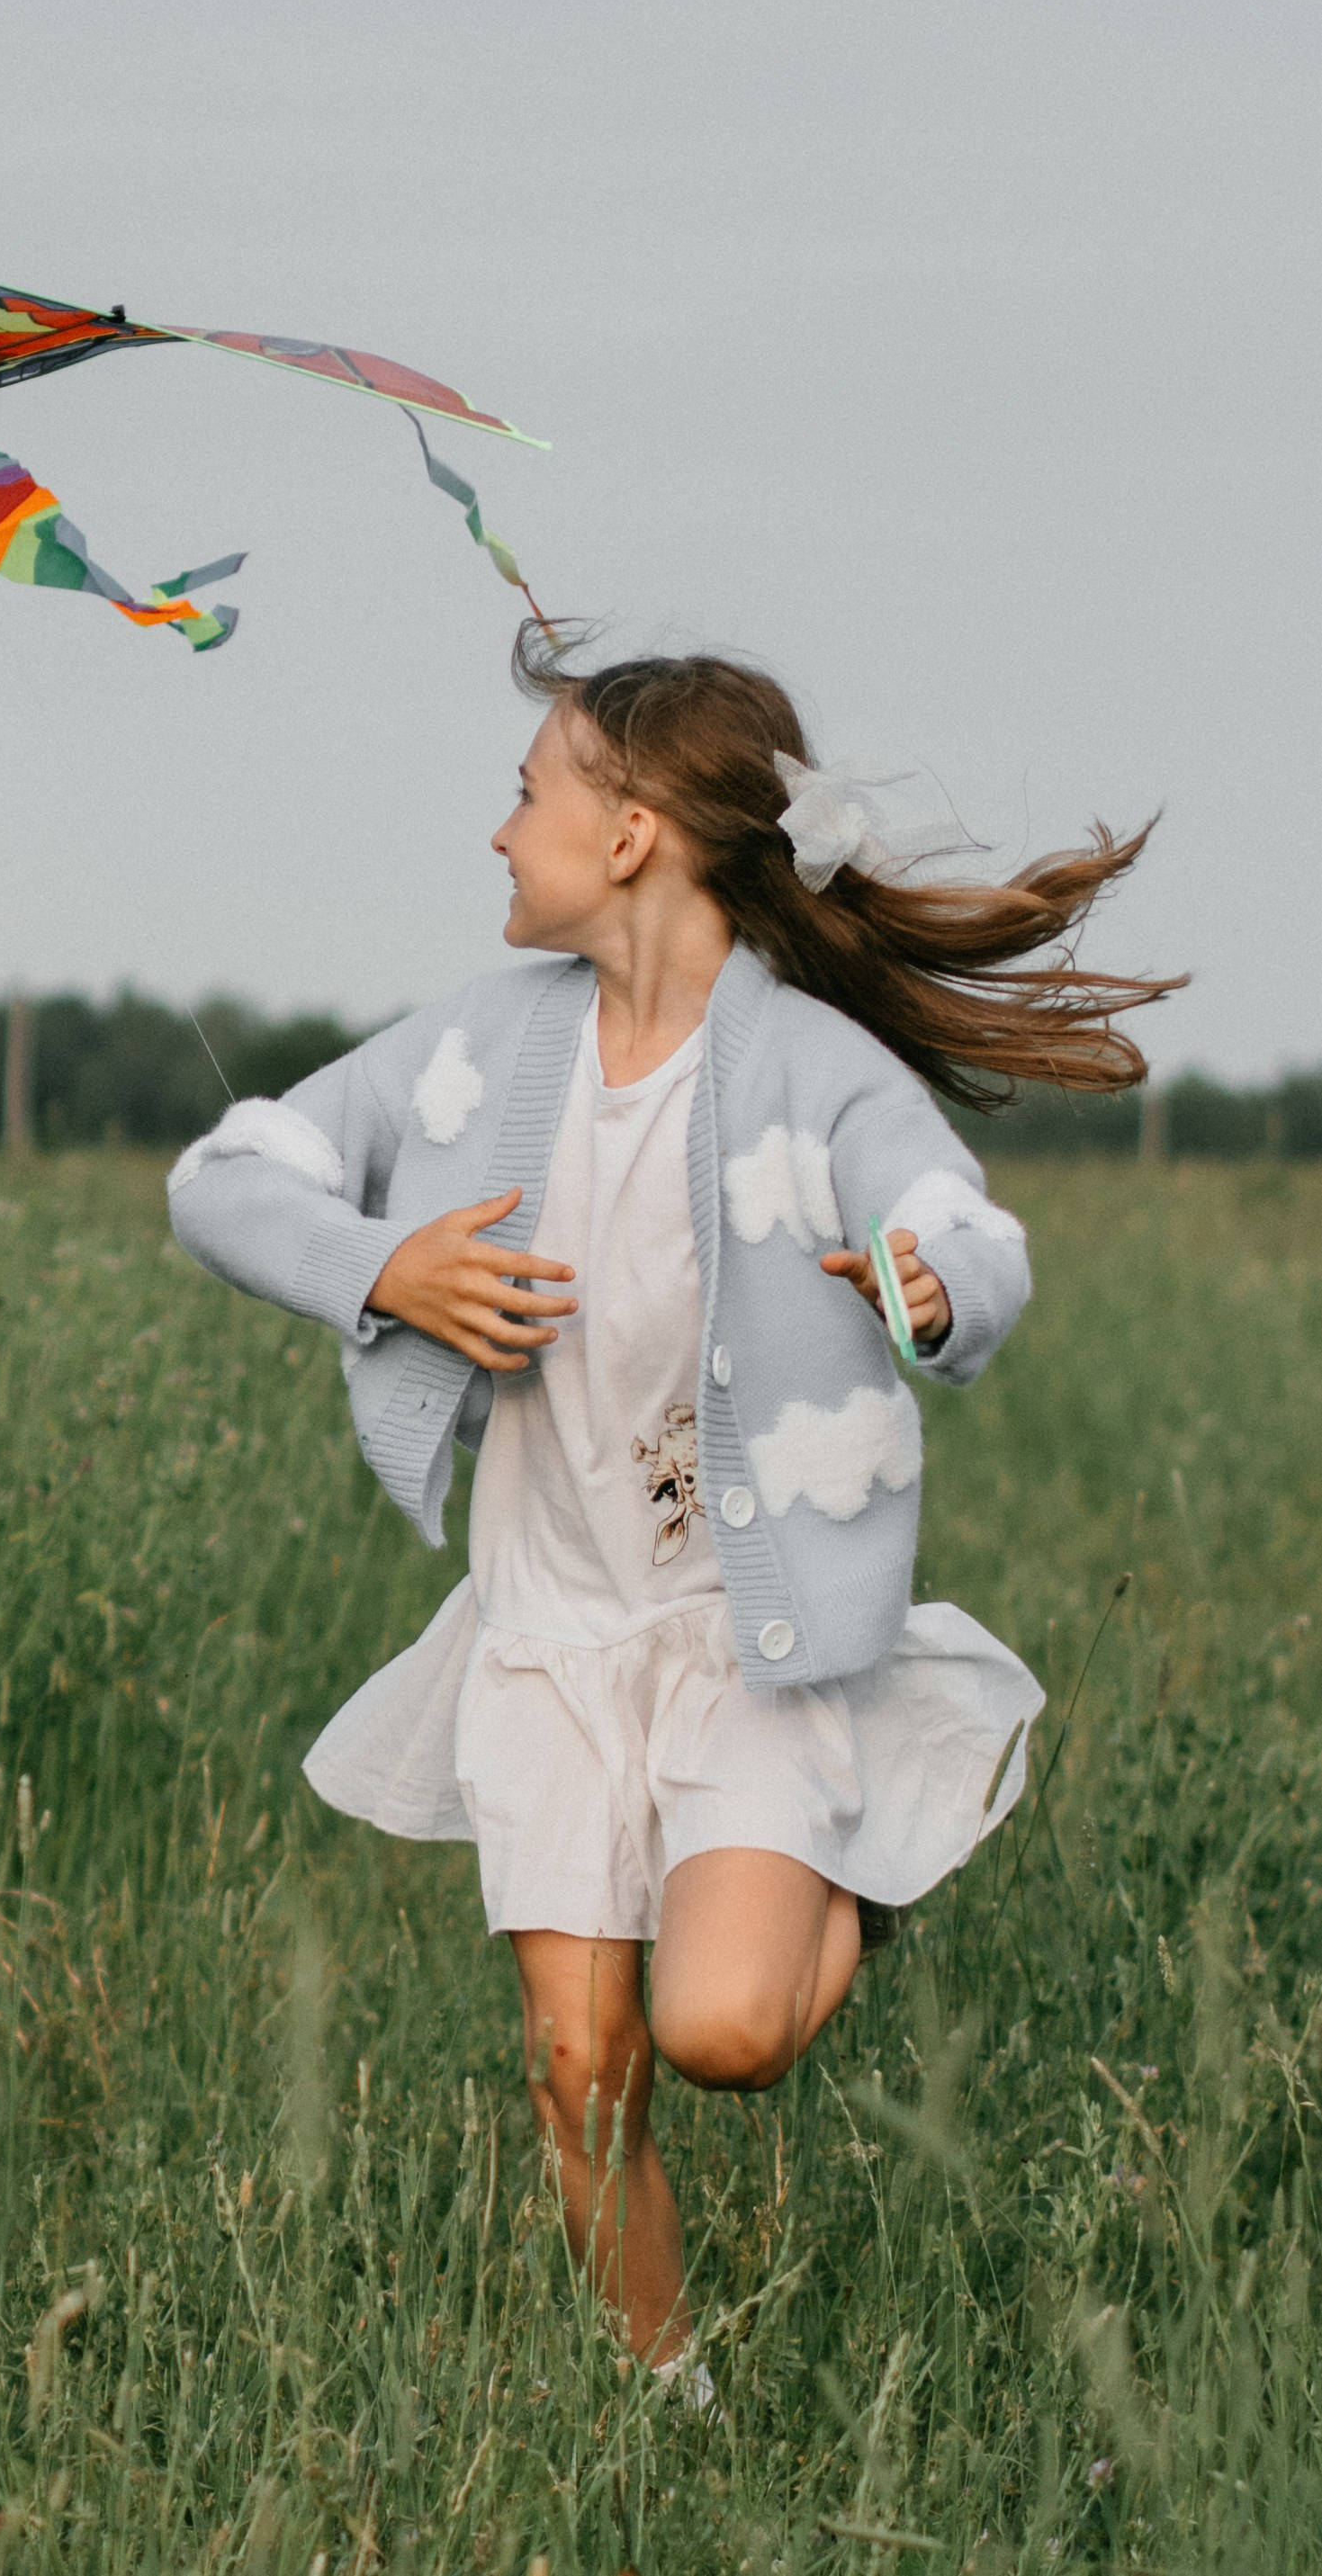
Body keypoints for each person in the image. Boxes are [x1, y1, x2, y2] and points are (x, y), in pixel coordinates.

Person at [167, 639, 1180, 2379]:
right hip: (546, 1632)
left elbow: (964, 1222)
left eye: (528, 791)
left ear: (630, 832)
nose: (499, 833)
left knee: (717, 2031)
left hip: (753, 1643)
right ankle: (666, 2407)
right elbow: (223, 1174)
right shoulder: (476, 1047)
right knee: (581, 2063)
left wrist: (933, 1286)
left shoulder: (812, 1071)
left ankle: (851, 1859)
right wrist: (382, 1264)